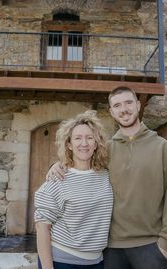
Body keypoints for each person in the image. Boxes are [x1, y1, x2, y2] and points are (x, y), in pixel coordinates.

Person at [48, 86, 167, 269]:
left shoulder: (162, 148)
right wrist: (57, 165)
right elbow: (81, 165)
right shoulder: (106, 150)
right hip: (111, 248)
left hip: (150, 246)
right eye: (117, 105)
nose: (124, 109)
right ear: (111, 112)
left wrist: (166, 244)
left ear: (137, 105)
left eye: (128, 103)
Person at [34, 110, 114, 269]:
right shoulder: (57, 179)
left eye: (89, 138)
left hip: (97, 262)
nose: (84, 143)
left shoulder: (106, 176)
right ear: (69, 144)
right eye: (78, 138)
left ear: (96, 143)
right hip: (61, 262)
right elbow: (42, 227)